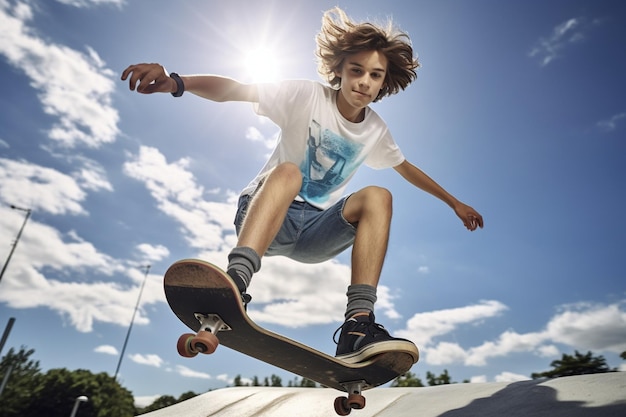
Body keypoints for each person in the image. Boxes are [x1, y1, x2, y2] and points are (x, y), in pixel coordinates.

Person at [121, 7, 483, 363]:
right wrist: (176, 82)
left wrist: (454, 203)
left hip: (314, 233)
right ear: (338, 70)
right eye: (356, 70)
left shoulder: (375, 130)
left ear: (384, 82)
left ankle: (358, 324)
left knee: (378, 196)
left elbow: (406, 168)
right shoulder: (306, 96)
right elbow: (237, 89)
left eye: (375, 75)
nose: (363, 82)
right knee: (289, 173)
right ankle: (235, 282)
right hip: (266, 214)